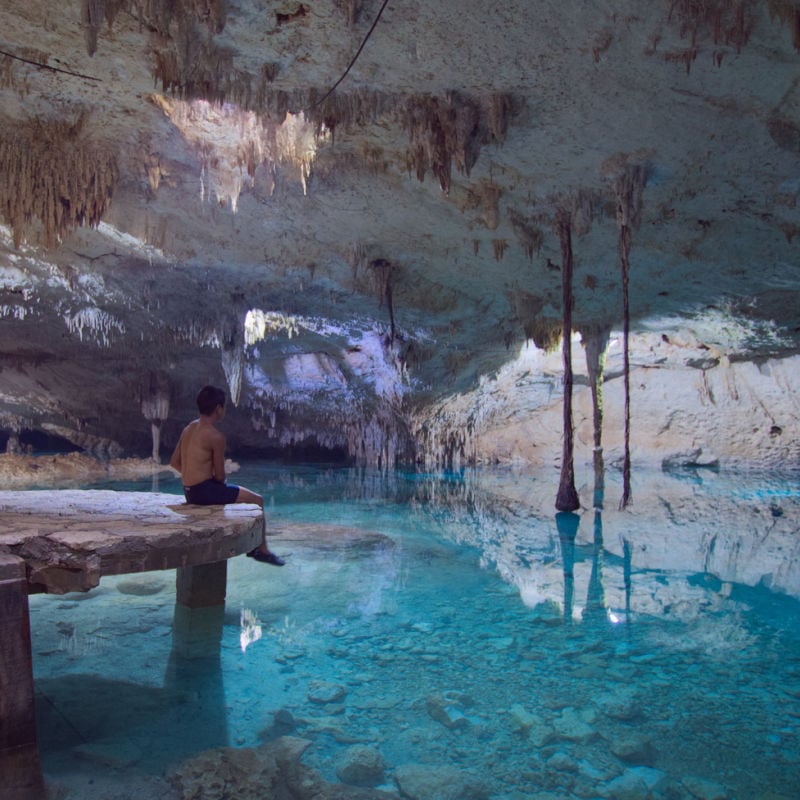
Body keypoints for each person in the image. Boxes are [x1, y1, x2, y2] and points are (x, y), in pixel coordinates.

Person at [169, 385, 285, 566]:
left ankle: (258, 548)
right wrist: (211, 484)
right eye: (223, 407)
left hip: (189, 491)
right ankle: (261, 550)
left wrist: (192, 477)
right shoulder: (215, 436)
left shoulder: (189, 428)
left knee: (229, 492)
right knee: (257, 500)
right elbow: (220, 476)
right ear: (218, 408)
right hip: (204, 492)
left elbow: (174, 462)